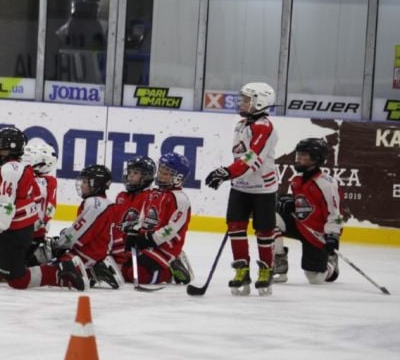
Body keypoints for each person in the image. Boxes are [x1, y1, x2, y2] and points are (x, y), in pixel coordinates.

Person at [0, 126, 83, 290]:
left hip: (16, 229)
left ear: (9, 148)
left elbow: (6, 203)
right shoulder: (18, 167)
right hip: (16, 227)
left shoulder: (10, 169)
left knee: (17, 280)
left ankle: (61, 271)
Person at [204, 81, 279, 296]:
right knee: (235, 226)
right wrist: (228, 175)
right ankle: (241, 270)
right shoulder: (240, 124)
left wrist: (226, 172)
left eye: (247, 99)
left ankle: (266, 271)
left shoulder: (264, 127)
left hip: (263, 188)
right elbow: (240, 156)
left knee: (264, 230)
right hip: (240, 186)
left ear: (260, 102)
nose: (242, 103)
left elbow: (251, 159)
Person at [273, 137, 344, 284]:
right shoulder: (297, 179)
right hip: (300, 225)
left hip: (317, 234)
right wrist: (290, 204)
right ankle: (279, 263)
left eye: (304, 155)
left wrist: (333, 236)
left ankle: (330, 264)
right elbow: (303, 203)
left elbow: (335, 214)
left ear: (316, 158)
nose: (298, 158)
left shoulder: (326, 184)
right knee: (270, 218)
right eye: (298, 154)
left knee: (315, 278)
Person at [122, 152, 192, 286]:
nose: (160, 175)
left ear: (178, 178)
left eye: (166, 173)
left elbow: (171, 229)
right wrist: (135, 232)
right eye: (160, 171)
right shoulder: (154, 193)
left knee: (140, 275)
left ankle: (171, 269)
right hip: (148, 243)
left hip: (165, 246)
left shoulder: (180, 198)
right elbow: (143, 217)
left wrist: (152, 239)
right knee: (125, 271)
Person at [49, 164, 120, 288]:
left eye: (86, 182)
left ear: (96, 184)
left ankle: (92, 272)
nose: (82, 185)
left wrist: (59, 244)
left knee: (52, 271)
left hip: (87, 255)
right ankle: (96, 270)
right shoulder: (105, 203)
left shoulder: (94, 204)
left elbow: (77, 235)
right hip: (97, 253)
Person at [23, 139, 58, 264]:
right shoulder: (49, 181)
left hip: (31, 233)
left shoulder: (45, 182)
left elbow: (49, 209)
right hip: (34, 233)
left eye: (30, 157)